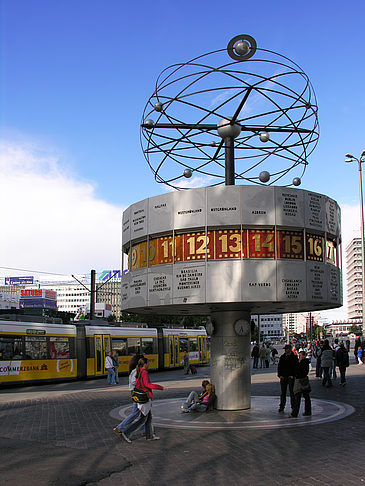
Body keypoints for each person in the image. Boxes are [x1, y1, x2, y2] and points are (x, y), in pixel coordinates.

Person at [119, 357, 164, 442]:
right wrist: (159, 387)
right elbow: (147, 384)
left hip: (142, 397)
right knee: (143, 419)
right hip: (145, 398)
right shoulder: (144, 373)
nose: (149, 364)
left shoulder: (139, 372)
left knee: (148, 418)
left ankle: (150, 436)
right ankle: (126, 433)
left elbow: (138, 383)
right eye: (148, 363)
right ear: (145, 364)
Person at [113, 354, 144, 436]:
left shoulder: (134, 370)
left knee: (144, 413)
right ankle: (120, 427)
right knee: (137, 413)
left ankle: (145, 430)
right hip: (138, 393)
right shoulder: (136, 371)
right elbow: (134, 381)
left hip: (136, 393)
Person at [289, 350, 311, 418]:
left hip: (300, 380)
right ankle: (308, 411)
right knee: (306, 397)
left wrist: (295, 374)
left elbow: (298, 371)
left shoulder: (301, 363)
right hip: (305, 380)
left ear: (304, 356)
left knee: (297, 397)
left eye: (300, 356)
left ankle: (295, 413)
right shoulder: (306, 363)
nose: (299, 357)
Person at [277, 344, 298, 412]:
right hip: (283, 377)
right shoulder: (282, 357)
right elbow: (279, 366)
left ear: (289, 349)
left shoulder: (294, 357)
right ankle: (282, 406)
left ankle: (293, 406)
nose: (285, 350)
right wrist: (280, 375)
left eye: (286, 349)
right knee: (283, 393)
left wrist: (293, 375)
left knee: (292, 392)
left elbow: (296, 367)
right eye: (285, 349)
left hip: (290, 377)